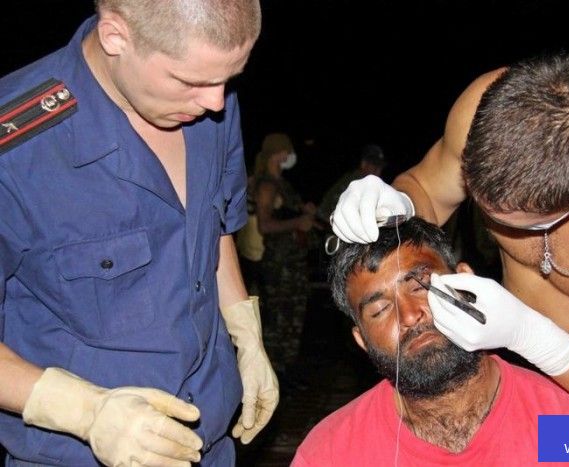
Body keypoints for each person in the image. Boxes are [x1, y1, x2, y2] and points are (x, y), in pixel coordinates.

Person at [330, 52, 569, 417]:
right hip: (507, 356)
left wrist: (533, 338)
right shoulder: (486, 109)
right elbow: (427, 188)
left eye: (520, 219)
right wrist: (397, 202)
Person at [0, 1, 279, 465]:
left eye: (228, 78)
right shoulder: (17, 148)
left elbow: (210, 224)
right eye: (190, 81)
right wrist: (87, 412)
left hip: (210, 441)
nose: (216, 102)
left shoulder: (208, 98)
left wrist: (245, 332)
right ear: (116, 37)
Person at [292, 217, 569, 467]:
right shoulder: (331, 452)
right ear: (361, 340)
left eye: (420, 286)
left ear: (466, 282)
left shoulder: (566, 424)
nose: (410, 315)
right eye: (380, 310)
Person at [253, 132, 320, 388]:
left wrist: (306, 213)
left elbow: (290, 214)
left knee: (293, 320)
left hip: (293, 262)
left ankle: (287, 373)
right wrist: (297, 222)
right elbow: (265, 226)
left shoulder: (283, 185)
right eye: (287, 150)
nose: (290, 155)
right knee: (277, 321)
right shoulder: (267, 186)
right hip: (279, 265)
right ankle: (273, 377)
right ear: (277, 153)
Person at [317, 143, 388, 223]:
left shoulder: (372, 184)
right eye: (374, 166)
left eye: (380, 167)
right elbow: (329, 206)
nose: (378, 171)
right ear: (364, 164)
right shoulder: (355, 182)